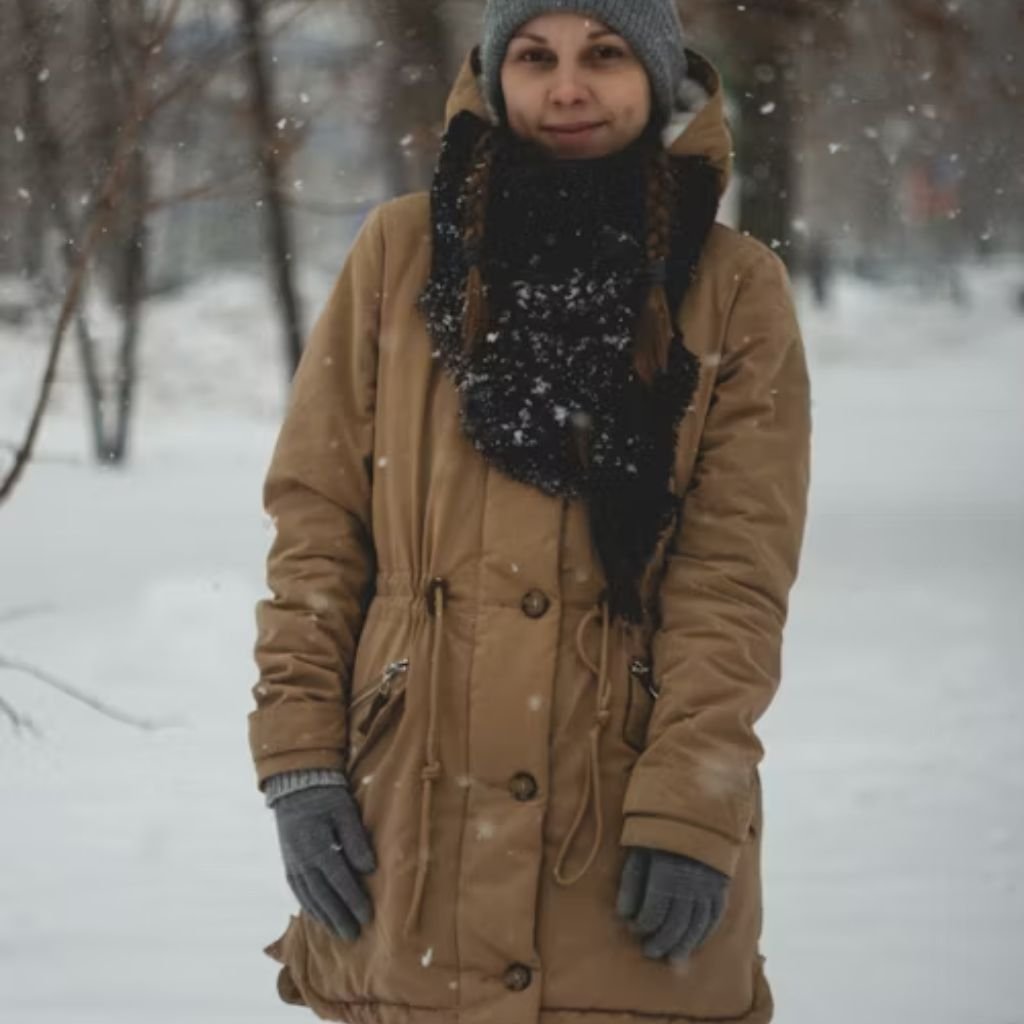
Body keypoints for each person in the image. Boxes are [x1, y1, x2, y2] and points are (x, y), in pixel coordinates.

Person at [247, 3, 811, 1023]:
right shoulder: (401, 255)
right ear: (494, 73)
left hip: (621, 818)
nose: (565, 89)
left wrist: (693, 795)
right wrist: (298, 757)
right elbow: (318, 525)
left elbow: (734, 575)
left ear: (655, 73)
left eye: (602, 55)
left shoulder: (735, 291)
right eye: (534, 57)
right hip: (409, 814)